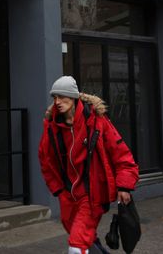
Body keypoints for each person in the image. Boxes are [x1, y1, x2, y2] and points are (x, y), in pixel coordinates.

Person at [38, 76, 139, 254]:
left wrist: (124, 185)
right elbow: (45, 160)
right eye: (54, 98)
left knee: (76, 247)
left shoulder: (96, 121)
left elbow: (121, 153)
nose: (57, 102)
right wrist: (59, 190)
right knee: (86, 240)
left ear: (73, 97)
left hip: (93, 195)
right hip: (68, 195)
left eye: (62, 97)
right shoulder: (52, 127)